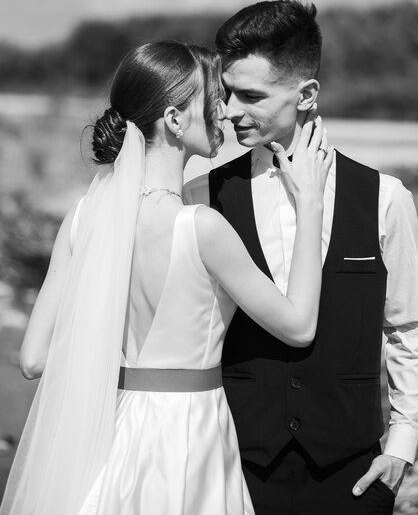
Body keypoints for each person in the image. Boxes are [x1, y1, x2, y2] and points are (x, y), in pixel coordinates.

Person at [0, 41, 332, 515]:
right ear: (175, 119)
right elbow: (299, 327)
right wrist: (312, 204)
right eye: (212, 98)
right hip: (187, 435)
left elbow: (33, 359)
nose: (224, 111)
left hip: (108, 431)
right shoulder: (201, 227)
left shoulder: (82, 219)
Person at [184, 0, 418, 515]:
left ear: (306, 93)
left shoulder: (386, 198)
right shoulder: (200, 195)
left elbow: (407, 328)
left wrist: (403, 445)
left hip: (353, 475)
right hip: (233, 465)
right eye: (225, 93)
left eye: (250, 96)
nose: (228, 110)